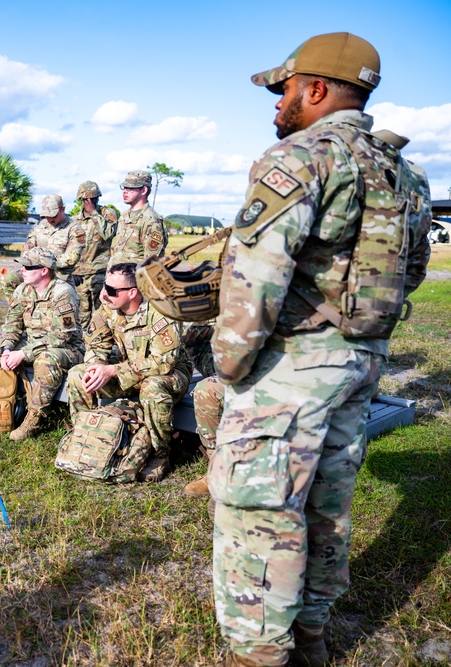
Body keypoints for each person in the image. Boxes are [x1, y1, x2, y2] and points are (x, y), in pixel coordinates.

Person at [208, 33, 431, 667]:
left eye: (282, 90)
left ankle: (260, 653)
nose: (277, 104)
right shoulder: (402, 171)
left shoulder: (300, 158)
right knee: (327, 504)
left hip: (290, 373)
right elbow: (408, 271)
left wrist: (231, 371)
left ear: (314, 90)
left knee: (262, 515)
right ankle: (312, 636)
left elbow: (256, 280)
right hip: (361, 362)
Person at [65, 262, 191, 482]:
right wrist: (96, 366)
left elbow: (163, 362)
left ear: (133, 292)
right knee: (78, 374)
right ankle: (86, 437)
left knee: (153, 388)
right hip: (127, 369)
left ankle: (161, 453)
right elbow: (95, 345)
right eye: (105, 286)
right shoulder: (108, 307)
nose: (104, 294)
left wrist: (113, 370)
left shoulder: (160, 311)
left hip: (169, 373)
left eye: (112, 290)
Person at [0, 247, 81, 440]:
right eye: (22, 266)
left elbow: (61, 337)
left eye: (28, 267)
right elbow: (12, 326)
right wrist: (7, 349)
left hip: (67, 349)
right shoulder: (22, 290)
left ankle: (34, 419)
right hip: (32, 343)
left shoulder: (63, 293)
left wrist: (23, 354)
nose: (22, 270)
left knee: (46, 360)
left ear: (44, 270)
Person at [2, 194, 84, 295]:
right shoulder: (41, 225)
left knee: (61, 298)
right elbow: (28, 246)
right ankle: (18, 308)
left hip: (59, 275)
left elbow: (71, 258)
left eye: (53, 216)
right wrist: (31, 265)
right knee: (9, 279)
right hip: (35, 272)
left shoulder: (74, 229)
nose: (50, 219)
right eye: (47, 216)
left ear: (62, 209)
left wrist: (44, 263)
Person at [70, 180, 119, 329]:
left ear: (98, 198)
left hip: (100, 273)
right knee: (81, 316)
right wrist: (74, 270)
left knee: (102, 314)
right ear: (81, 200)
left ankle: (101, 347)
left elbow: (108, 234)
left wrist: (94, 214)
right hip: (80, 277)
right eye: (86, 199)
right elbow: (72, 247)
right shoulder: (74, 220)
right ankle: (83, 348)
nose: (89, 202)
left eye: (94, 198)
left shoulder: (107, 214)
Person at [109, 170, 167, 266]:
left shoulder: (151, 220)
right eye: (124, 187)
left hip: (134, 278)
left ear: (144, 190)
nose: (125, 192)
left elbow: (151, 263)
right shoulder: (124, 216)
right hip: (116, 277)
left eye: (130, 188)